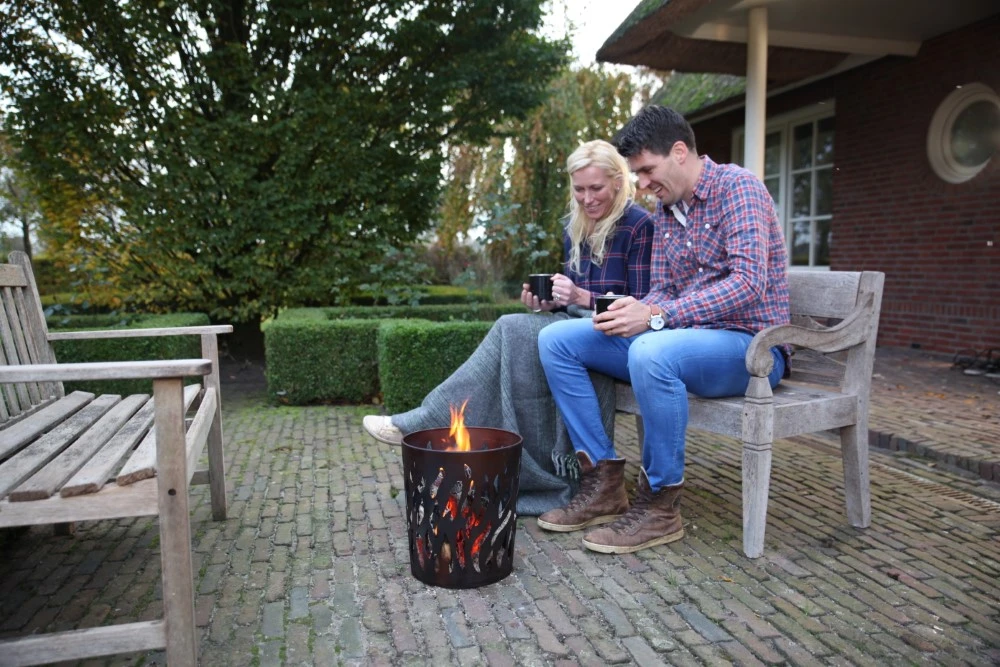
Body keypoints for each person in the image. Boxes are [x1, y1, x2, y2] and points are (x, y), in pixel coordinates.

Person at [536, 106, 790, 553]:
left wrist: (655, 317)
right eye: (637, 174)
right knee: (557, 340)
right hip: (679, 341)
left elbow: (748, 284)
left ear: (679, 152)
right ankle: (603, 482)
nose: (643, 184)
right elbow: (663, 290)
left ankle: (660, 505)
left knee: (651, 352)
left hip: (750, 349)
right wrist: (636, 308)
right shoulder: (667, 209)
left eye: (647, 171)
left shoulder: (739, 187)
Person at [362, 139, 654, 516]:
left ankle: (425, 421)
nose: (587, 198)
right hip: (572, 325)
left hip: (617, 335)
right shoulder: (573, 227)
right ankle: (460, 437)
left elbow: (644, 301)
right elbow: (571, 297)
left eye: (595, 188)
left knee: (508, 328)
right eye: (579, 189)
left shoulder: (639, 226)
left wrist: (580, 296)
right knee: (514, 325)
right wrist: (549, 299)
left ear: (617, 182)